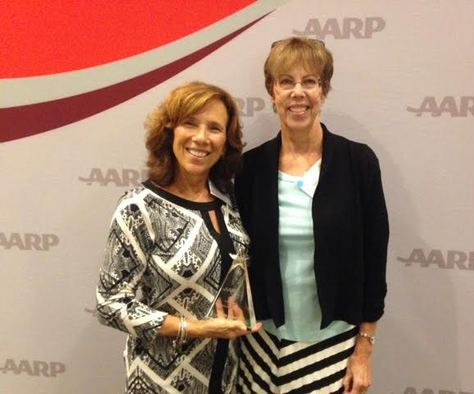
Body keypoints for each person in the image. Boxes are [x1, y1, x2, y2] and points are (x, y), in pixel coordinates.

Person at [234, 37, 389, 393]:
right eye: (286, 81)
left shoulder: (358, 163)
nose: (297, 92)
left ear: (325, 90)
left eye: (310, 81)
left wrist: (364, 349)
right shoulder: (250, 168)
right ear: (272, 91)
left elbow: (374, 257)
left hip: (333, 343)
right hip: (261, 343)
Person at [96, 81, 260, 394]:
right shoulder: (139, 208)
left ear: (226, 142)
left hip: (226, 378)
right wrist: (196, 329)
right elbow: (110, 304)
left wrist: (241, 311)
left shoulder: (229, 203)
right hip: (162, 383)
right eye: (190, 123)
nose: (201, 138)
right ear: (170, 130)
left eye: (214, 128)